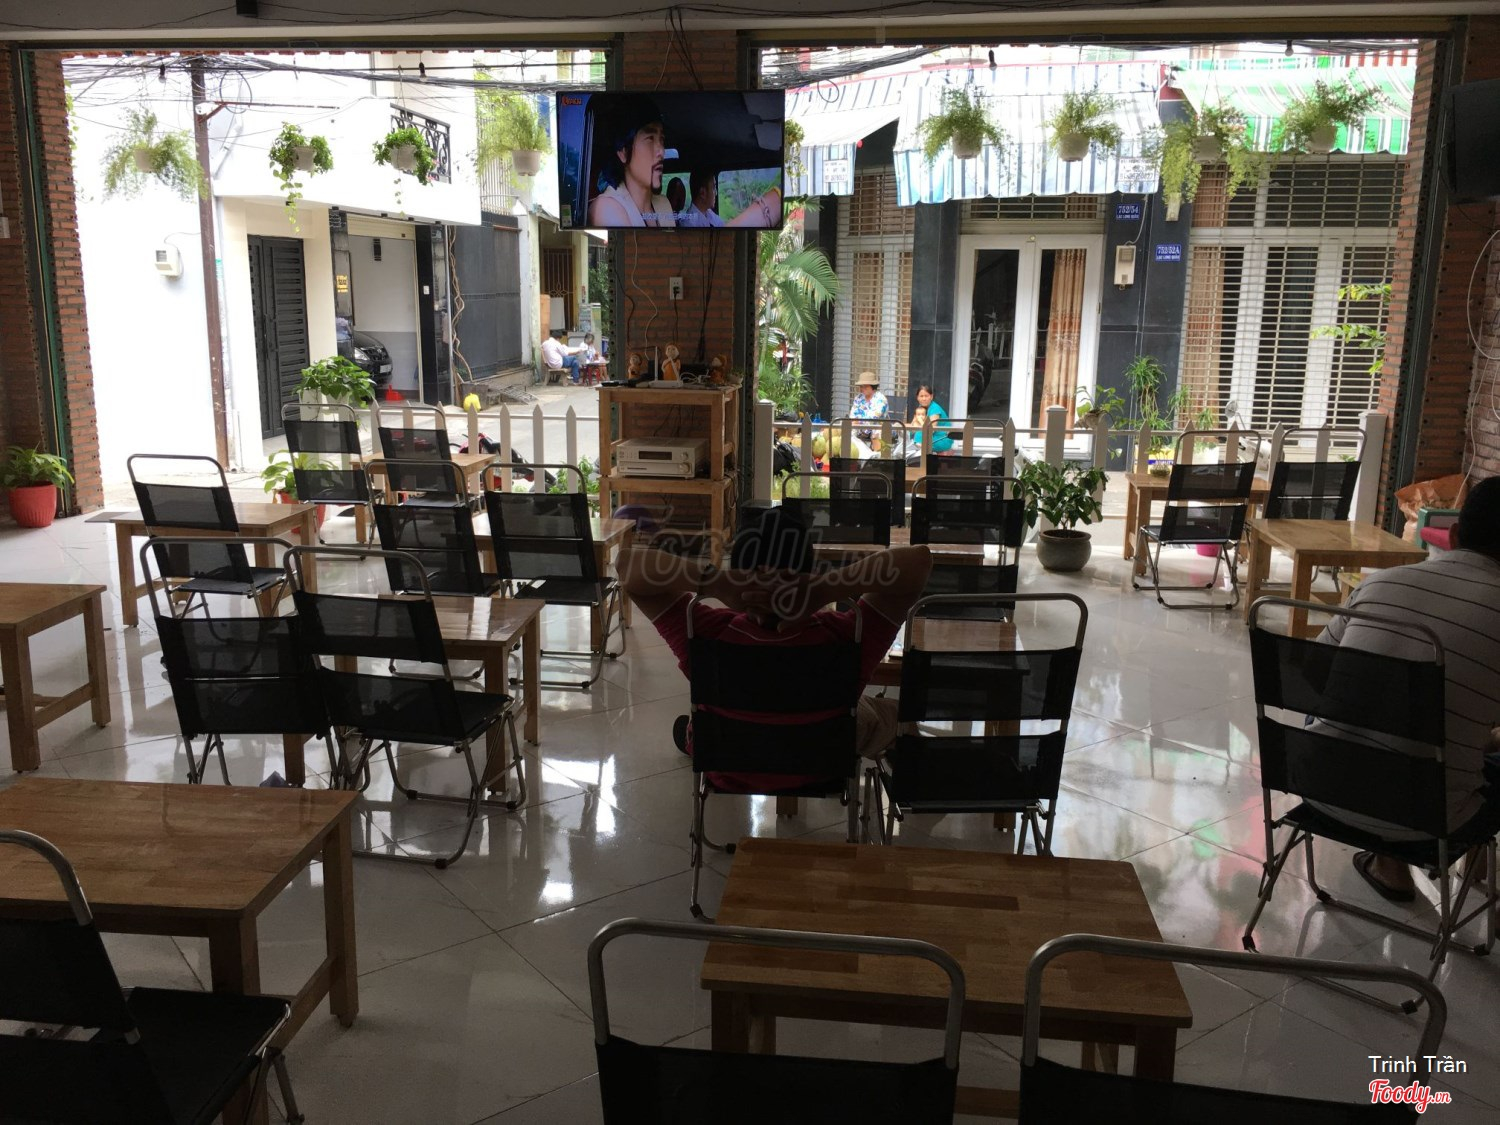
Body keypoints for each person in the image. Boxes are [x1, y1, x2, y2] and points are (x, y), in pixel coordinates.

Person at [617, 511, 932, 792]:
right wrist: (824, 588)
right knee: (886, 712)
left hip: (726, 766)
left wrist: (716, 583)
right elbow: (919, 562)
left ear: (738, 573)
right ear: (806, 573)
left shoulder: (705, 630)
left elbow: (627, 565)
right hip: (823, 766)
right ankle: (918, 775)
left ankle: (694, 734)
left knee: (702, 717)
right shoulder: (847, 635)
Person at [1313, 475, 1500, 902]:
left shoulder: (1381, 583)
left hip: (1320, 785)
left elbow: (1313, 675)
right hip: (1431, 817)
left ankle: (1390, 866)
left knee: (1373, 711)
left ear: (1453, 534)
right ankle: (1475, 864)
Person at [588, 95, 676, 228]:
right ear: (623, 152)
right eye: (650, 139)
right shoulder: (606, 207)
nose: (661, 151)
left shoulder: (664, 204)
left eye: (661, 139)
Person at [676, 168, 782, 229]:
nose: (716, 193)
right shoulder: (688, 223)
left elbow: (724, 226)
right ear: (703, 193)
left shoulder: (709, 214)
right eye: (713, 188)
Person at [908, 382, 954, 459]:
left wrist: (920, 422)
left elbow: (930, 430)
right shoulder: (920, 409)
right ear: (917, 397)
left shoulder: (935, 409)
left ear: (931, 397)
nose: (924, 399)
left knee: (919, 434)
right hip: (930, 439)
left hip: (941, 439)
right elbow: (913, 427)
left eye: (926, 396)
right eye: (921, 396)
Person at [848, 371, 889, 450]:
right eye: (861, 386)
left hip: (877, 428)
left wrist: (858, 422)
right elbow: (853, 416)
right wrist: (854, 422)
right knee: (847, 429)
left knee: (877, 431)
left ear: (872, 386)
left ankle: (878, 455)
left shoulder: (881, 399)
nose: (862, 389)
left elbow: (873, 418)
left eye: (865, 386)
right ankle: (851, 454)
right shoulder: (858, 398)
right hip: (859, 428)